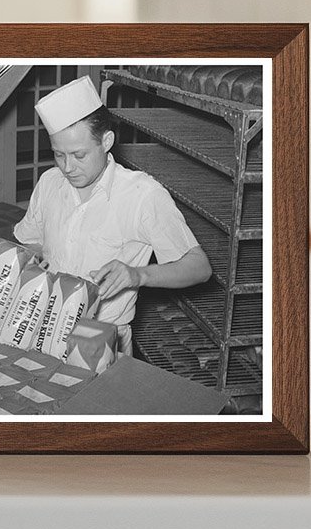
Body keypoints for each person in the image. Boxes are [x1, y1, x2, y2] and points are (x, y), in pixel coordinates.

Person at [12, 76, 211, 358]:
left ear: (106, 141)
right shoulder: (49, 183)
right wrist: (29, 260)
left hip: (102, 339)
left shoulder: (142, 194)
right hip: (45, 327)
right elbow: (30, 243)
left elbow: (199, 267)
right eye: (59, 154)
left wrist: (137, 274)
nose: (68, 167)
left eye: (79, 155)